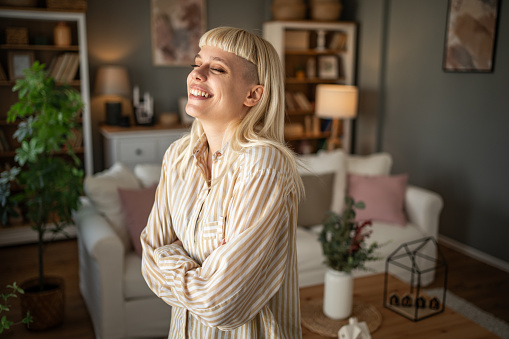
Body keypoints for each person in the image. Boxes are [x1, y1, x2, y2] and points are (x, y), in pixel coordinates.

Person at [141, 26, 304, 338]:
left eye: (216, 68)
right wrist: (199, 276)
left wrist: (170, 260)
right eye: (196, 64)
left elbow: (222, 305)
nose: (197, 74)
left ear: (253, 94)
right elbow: (149, 256)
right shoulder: (177, 156)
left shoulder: (264, 164)